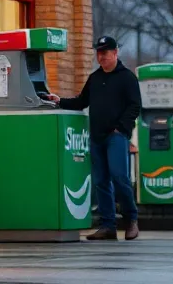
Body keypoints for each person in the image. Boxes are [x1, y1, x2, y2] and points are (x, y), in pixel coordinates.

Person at [45, 35, 142, 241]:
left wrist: (120, 128)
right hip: (96, 137)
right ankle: (108, 226)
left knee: (119, 177)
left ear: (115, 53)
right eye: (98, 53)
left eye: (105, 53)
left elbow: (135, 106)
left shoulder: (127, 78)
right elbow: (81, 101)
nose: (101, 57)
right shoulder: (95, 78)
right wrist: (59, 101)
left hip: (116, 136)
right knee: (100, 181)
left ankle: (131, 220)